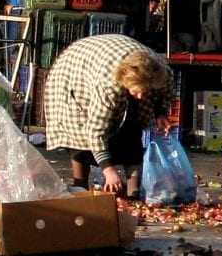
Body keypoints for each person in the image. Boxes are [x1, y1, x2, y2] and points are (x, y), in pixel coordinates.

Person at [44, 34, 173, 198]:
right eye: (137, 90)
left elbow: (165, 91)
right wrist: (108, 170)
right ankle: (80, 186)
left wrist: (160, 112)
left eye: (145, 91)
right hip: (75, 72)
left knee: (132, 131)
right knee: (79, 137)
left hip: (113, 56)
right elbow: (96, 132)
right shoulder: (108, 84)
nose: (141, 96)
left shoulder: (161, 73)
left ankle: (134, 192)